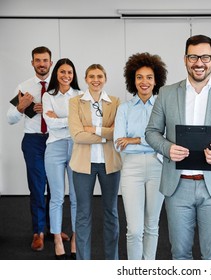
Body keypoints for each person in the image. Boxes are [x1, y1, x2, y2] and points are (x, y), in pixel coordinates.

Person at [145, 34, 211, 260]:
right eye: (193, 57)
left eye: (205, 57)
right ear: (185, 59)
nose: (199, 63)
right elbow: (151, 132)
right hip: (177, 186)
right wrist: (166, 148)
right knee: (179, 254)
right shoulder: (166, 93)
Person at [114, 52, 167, 260]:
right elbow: (119, 143)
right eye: (139, 77)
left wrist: (134, 140)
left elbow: (165, 141)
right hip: (132, 168)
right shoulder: (124, 109)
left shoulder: (163, 107)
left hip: (158, 166)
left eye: (149, 77)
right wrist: (152, 141)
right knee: (134, 230)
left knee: (152, 225)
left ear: (156, 81)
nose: (144, 82)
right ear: (132, 80)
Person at [68, 64, 122, 260]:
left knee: (111, 213)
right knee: (83, 215)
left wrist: (93, 130)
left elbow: (118, 132)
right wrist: (104, 135)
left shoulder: (115, 102)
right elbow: (77, 135)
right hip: (83, 165)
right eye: (91, 76)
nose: (96, 79)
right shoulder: (75, 102)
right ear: (86, 78)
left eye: (99, 76)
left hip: (110, 164)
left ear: (105, 78)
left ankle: (112, 262)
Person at [6, 46, 54, 251]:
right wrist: (21, 106)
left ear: (51, 63)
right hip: (33, 141)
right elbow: (10, 119)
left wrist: (51, 109)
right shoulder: (23, 87)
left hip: (56, 140)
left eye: (45, 60)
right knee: (37, 187)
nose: (42, 64)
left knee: (56, 188)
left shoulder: (59, 86)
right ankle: (38, 232)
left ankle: (55, 228)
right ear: (32, 63)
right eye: (38, 60)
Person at [43, 58, 81, 259]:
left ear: (73, 75)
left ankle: (75, 237)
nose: (66, 76)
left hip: (77, 147)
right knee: (57, 196)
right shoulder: (48, 96)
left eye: (70, 72)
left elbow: (82, 122)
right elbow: (49, 123)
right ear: (56, 73)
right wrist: (69, 121)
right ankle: (57, 238)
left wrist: (60, 120)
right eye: (62, 72)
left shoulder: (80, 95)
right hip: (55, 148)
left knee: (76, 197)